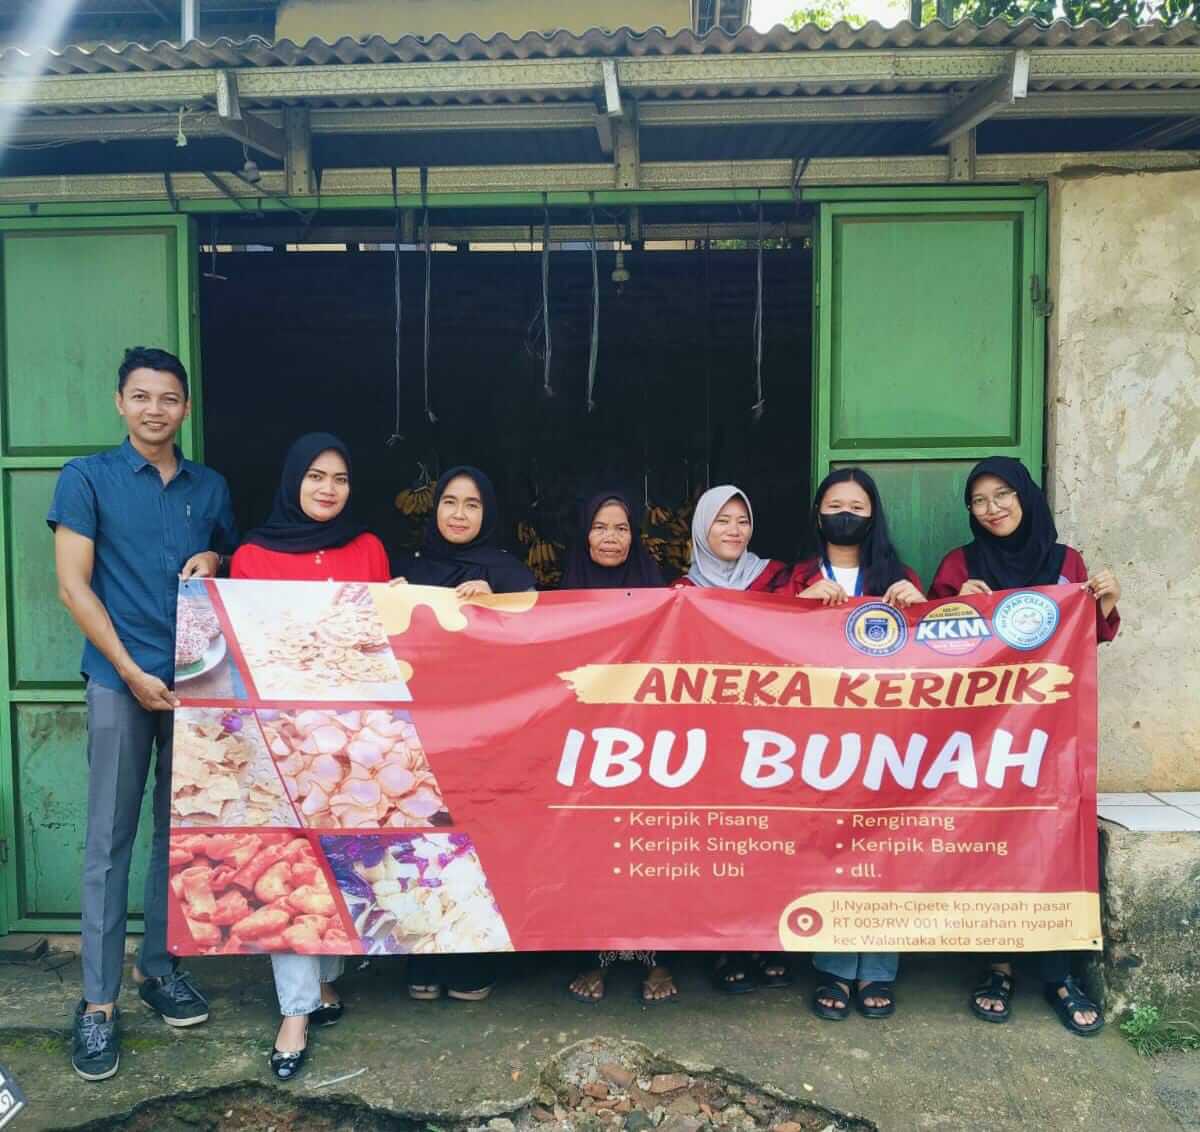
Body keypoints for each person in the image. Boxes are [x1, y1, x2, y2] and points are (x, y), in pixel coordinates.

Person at [49, 347, 237, 1082]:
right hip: (118, 680)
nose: (155, 409)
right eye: (141, 396)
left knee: (179, 832)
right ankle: (98, 1004)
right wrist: (128, 671)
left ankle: (159, 969)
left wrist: (213, 561)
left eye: (168, 398)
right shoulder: (86, 478)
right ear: (120, 402)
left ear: (185, 408)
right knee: (109, 838)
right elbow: (73, 586)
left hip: (195, 680)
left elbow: (222, 561)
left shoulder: (209, 486)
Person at [930, 455, 1120, 1036]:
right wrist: (957, 605)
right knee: (987, 841)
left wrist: (1104, 602)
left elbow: (1087, 634)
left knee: (1051, 839)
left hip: (1050, 732)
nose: (991, 509)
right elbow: (929, 643)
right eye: (979, 500)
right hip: (978, 733)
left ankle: (1059, 973)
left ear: (1026, 496)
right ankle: (997, 966)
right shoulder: (959, 564)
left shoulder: (1067, 563)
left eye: (1002, 495)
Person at [231, 432, 390, 1080]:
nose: (328, 488)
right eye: (316, 476)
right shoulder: (252, 556)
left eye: (340, 478)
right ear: (293, 479)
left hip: (353, 740)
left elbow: (381, 636)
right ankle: (294, 1011)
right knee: (290, 864)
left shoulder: (368, 547)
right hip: (283, 737)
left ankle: (325, 980)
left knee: (339, 860)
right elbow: (246, 648)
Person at [789, 468, 924, 1021]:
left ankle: (879, 969)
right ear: (818, 513)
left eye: (857, 506)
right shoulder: (794, 575)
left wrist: (921, 607)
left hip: (887, 732)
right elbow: (758, 640)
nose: (845, 514)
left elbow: (939, 649)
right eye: (835, 504)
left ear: (874, 516)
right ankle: (836, 966)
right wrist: (795, 605)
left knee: (886, 844)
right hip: (818, 734)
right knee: (835, 843)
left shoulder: (900, 576)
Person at [395, 465, 534, 1000]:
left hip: (487, 734)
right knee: (422, 840)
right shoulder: (408, 569)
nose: (458, 514)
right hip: (420, 733)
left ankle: (474, 955)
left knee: (479, 842)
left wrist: (497, 604)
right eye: (450, 502)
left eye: (472, 505)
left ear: (487, 513)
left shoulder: (509, 573)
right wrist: (388, 601)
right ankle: (422, 956)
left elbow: (537, 649)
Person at [559, 490, 676, 1004]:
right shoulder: (557, 600)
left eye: (622, 528)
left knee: (649, 849)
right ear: (584, 533)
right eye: (601, 527)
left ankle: (656, 958)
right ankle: (595, 957)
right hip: (583, 742)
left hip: (647, 742)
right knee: (590, 852)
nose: (611, 537)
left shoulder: (664, 597)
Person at [673, 484, 789, 991]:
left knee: (768, 837)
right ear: (702, 528)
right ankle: (724, 946)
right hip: (711, 734)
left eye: (742, 520)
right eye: (722, 520)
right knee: (719, 838)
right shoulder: (679, 592)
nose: (734, 530)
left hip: (772, 732)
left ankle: (766, 938)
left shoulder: (777, 579)